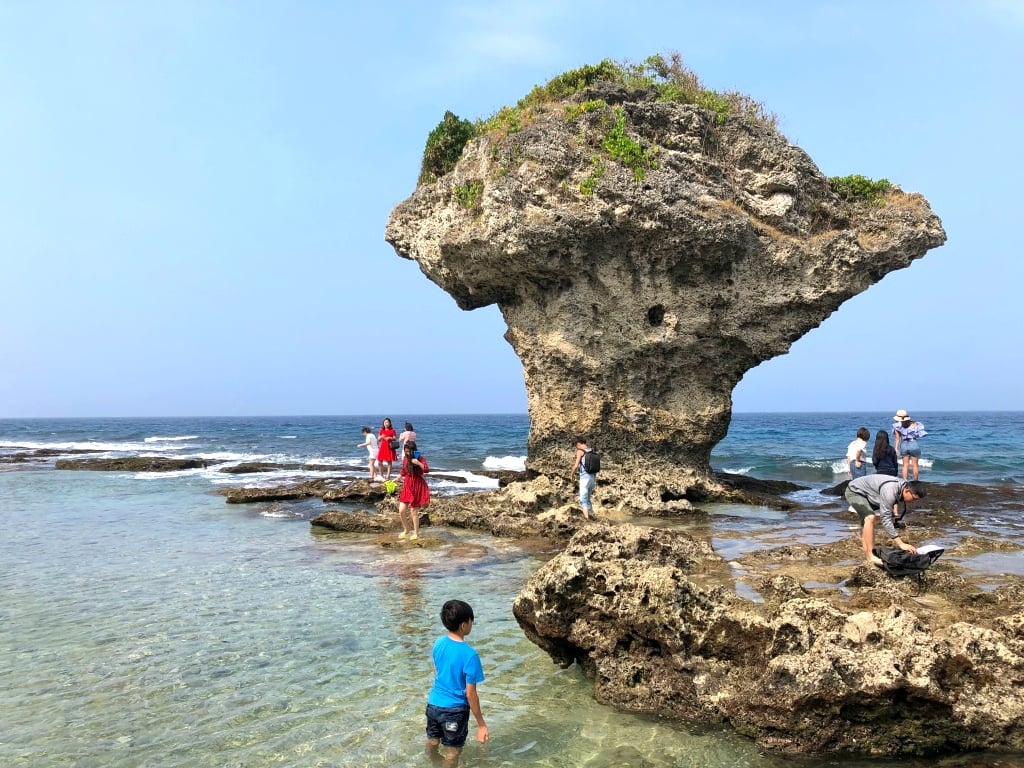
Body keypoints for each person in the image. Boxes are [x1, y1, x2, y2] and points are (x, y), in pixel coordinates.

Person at [425, 599, 488, 768]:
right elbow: (470, 694)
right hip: (454, 711)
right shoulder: (470, 655)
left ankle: (432, 763)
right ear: (463, 625)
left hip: (433, 705)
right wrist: (481, 725)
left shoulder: (438, 643)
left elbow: (437, 671)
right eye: (470, 621)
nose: (471, 624)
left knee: (432, 741)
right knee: (452, 751)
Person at [844, 474, 926, 566]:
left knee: (867, 521)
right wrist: (901, 544)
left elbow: (893, 503)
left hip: (869, 493)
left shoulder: (902, 486)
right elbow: (885, 519)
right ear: (907, 490)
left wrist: (895, 518)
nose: (914, 501)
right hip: (855, 491)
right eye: (914, 498)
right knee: (870, 517)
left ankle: (868, 555)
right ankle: (870, 556)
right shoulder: (890, 490)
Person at [397, 440, 430, 540]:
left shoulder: (419, 457)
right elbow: (403, 471)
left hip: (418, 485)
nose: (408, 453)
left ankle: (416, 533)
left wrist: (418, 463)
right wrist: (398, 477)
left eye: (409, 451)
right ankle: (406, 529)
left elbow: (426, 470)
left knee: (413, 511)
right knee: (401, 510)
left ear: (414, 450)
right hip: (407, 484)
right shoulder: (405, 459)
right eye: (406, 451)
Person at [892, 409, 928, 481]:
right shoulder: (915, 424)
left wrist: (896, 448)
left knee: (905, 465)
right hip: (913, 443)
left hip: (904, 445)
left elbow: (897, 438)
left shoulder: (897, 426)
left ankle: (905, 482)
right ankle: (915, 482)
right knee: (915, 465)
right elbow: (921, 434)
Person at [571, 437, 597, 520]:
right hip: (592, 479)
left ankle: (587, 519)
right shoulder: (592, 451)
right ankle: (593, 516)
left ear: (579, 443)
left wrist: (572, 475)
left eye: (577, 445)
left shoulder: (580, 451)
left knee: (583, 500)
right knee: (588, 499)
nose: (577, 447)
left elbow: (575, 466)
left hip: (584, 479)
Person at [377, 417, 397, 482]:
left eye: (387, 422)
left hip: (389, 447)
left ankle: (388, 476)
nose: (386, 423)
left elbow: (395, 438)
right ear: (383, 423)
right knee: (379, 462)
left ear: (390, 423)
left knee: (389, 462)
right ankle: (381, 475)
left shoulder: (392, 430)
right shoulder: (381, 430)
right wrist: (381, 437)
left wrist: (390, 438)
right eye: (385, 422)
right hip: (383, 446)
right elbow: (378, 439)